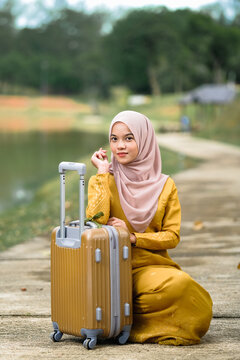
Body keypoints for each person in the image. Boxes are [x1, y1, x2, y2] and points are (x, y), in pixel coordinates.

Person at [86, 110, 212, 346]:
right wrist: (103, 172)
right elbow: (95, 219)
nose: (120, 146)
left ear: (145, 141)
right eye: (114, 139)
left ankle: (125, 322)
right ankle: (120, 321)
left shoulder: (165, 185)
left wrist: (133, 238)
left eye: (129, 138)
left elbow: (172, 237)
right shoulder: (104, 180)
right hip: (112, 271)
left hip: (154, 268)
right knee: (179, 289)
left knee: (189, 294)